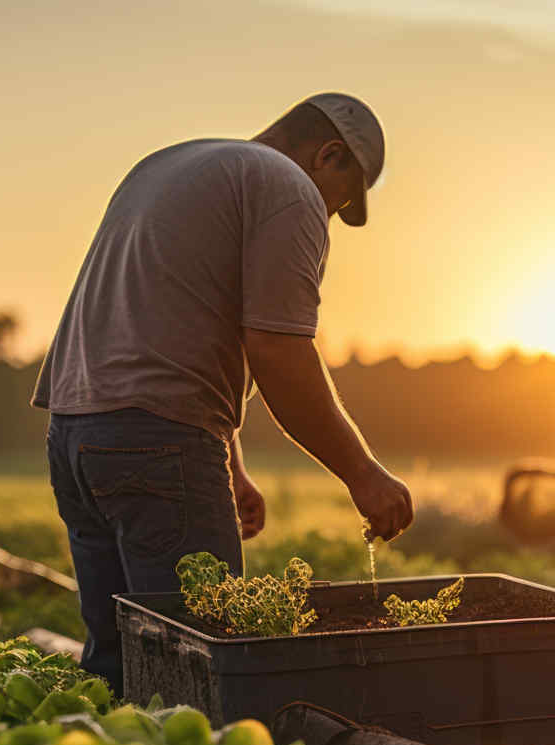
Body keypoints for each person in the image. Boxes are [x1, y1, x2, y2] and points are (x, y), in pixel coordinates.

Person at [32, 92, 414, 690]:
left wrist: (228, 461)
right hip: (154, 445)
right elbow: (278, 352)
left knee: (116, 665)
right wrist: (364, 474)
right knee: (195, 674)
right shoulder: (288, 187)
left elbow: (174, 320)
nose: (332, 214)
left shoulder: (172, 165)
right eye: (342, 198)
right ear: (329, 154)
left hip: (75, 433)